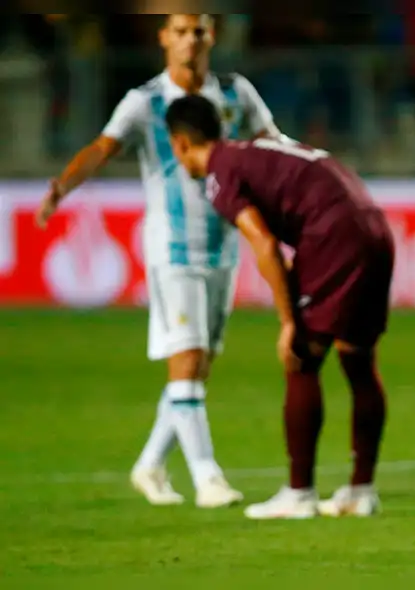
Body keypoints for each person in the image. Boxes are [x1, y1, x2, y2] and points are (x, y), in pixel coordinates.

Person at [35, 14, 279, 508]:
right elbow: (103, 148)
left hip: (223, 243)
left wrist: (316, 167)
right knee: (186, 358)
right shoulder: (144, 102)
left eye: (199, 31)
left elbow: (273, 141)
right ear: (164, 38)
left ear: (212, 36)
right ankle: (208, 478)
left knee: (199, 365)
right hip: (172, 246)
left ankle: (149, 465)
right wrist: (62, 186)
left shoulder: (236, 94)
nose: (190, 40)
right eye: (181, 31)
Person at [163, 93, 394, 520]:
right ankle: (360, 491)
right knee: (358, 359)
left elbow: (265, 245)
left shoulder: (220, 174)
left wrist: (289, 321)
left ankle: (299, 493)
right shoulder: (258, 149)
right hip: (375, 227)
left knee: (301, 358)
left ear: (179, 143)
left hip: (333, 235)